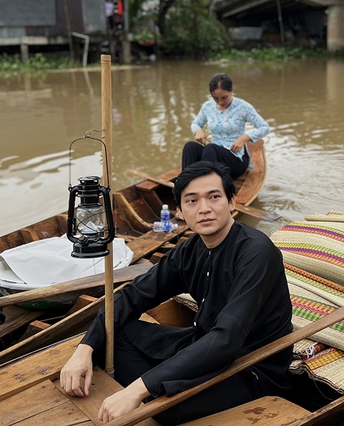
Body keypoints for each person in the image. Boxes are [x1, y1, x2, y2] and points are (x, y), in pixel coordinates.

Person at [59, 161, 293, 424]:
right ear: (180, 211)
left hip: (249, 367)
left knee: (161, 409)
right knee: (113, 335)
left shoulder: (256, 252)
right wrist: (84, 349)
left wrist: (137, 389)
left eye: (214, 197)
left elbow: (227, 338)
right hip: (201, 345)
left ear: (231, 202)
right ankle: (150, 387)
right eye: (192, 201)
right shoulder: (190, 249)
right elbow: (130, 296)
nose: (204, 209)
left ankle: (146, 391)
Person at [182, 73, 270, 179]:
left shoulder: (243, 107)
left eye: (224, 97)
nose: (220, 102)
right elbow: (195, 123)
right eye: (216, 98)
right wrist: (197, 130)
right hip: (212, 156)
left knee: (210, 148)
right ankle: (185, 183)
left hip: (235, 158)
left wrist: (244, 138)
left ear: (231, 90)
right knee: (190, 147)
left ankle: (211, 187)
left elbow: (264, 127)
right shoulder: (207, 107)